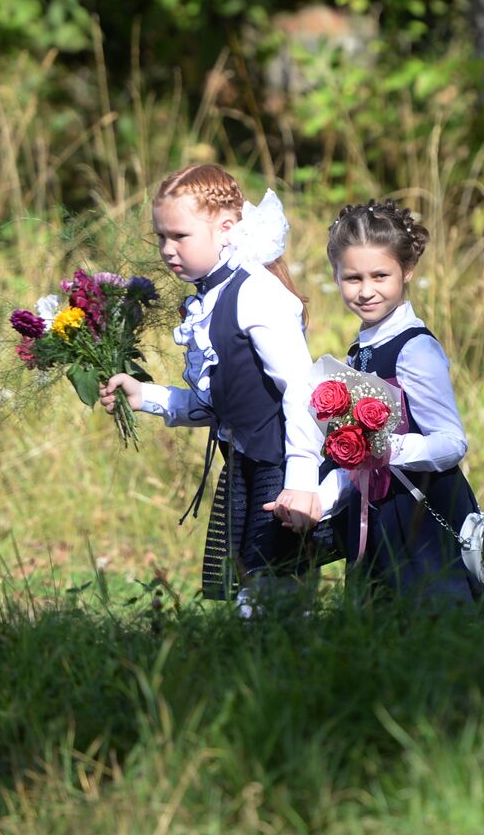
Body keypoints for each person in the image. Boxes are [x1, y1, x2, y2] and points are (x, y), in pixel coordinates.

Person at [99, 164, 330, 613]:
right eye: (160, 237)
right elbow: (223, 403)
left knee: (274, 590)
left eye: (180, 236)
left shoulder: (256, 294)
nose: (167, 250)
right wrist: (144, 396)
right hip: (245, 463)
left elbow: (303, 391)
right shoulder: (214, 295)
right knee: (250, 586)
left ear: (227, 228)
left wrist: (302, 482)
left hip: (279, 466)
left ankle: (295, 670)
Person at [316, 199, 484, 613]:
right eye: (352, 277)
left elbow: (451, 442)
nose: (366, 289)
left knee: (438, 617)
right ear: (335, 275)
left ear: (406, 272)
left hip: (421, 511)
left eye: (380, 275)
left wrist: (389, 449)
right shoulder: (361, 349)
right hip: (376, 512)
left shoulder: (415, 348)